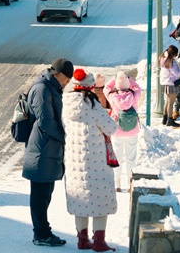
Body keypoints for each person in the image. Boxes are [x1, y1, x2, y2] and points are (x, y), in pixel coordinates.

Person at [63, 69, 119, 252]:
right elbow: (110, 128)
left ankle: (82, 239)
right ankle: (99, 241)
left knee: (80, 200)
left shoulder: (66, 104)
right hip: (95, 162)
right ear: (90, 88)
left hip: (74, 161)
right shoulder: (93, 106)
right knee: (100, 200)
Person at [23, 57, 74, 247]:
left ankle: (43, 231)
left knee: (45, 193)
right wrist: (64, 136)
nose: (67, 82)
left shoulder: (50, 87)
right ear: (58, 74)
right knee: (40, 195)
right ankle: (41, 234)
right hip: (41, 149)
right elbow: (45, 121)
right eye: (66, 78)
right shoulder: (42, 89)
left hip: (46, 148)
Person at [103, 72, 142, 193]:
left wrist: (115, 79)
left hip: (117, 131)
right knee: (131, 157)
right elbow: (137, 88)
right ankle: (131, 183)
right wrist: (129, 79)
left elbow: (106, 88)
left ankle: (117, 184)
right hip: (132, 131)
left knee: (117, 157)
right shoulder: (134, 95)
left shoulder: (112, 96)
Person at [158, 44, 180, 127]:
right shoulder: (170, 61)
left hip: (165, 83)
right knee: (171, 103)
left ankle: (165, 118)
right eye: (175, 54)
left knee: (167, 102)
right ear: (173, 54)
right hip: (171, 84)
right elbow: (176, 74)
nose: (176, 56)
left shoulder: (163, 58)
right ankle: (170, 120)